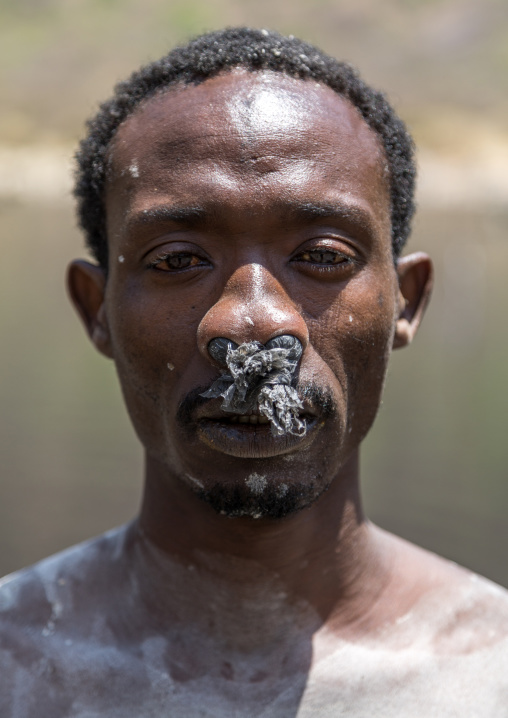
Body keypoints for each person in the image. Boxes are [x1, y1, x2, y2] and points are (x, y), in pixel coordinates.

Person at [1, 27, 507, 717]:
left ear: (404, 301)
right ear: (97, 310)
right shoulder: (15, 663)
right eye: (178, 260)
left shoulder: (490, 675)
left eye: (323, 255)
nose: (253, 323)